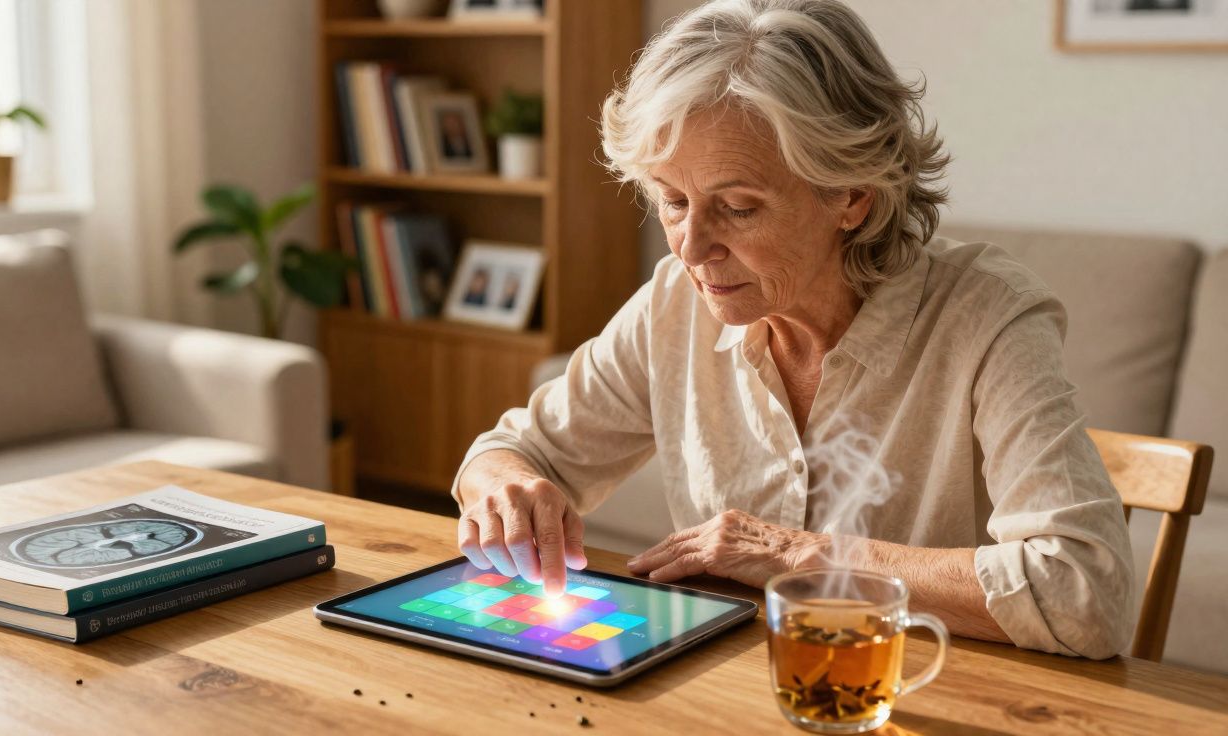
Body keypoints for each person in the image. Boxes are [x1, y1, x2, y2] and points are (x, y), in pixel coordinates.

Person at [451, 0, 1135, 659]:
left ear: (852, 197)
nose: (689, 248)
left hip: (919, 700)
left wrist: (798, 554)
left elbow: (1081, 588)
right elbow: (512, 452)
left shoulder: (987, 319)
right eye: (672, 200)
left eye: (738, 208)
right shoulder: (674, 303)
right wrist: (507, 488)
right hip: (726, 691)